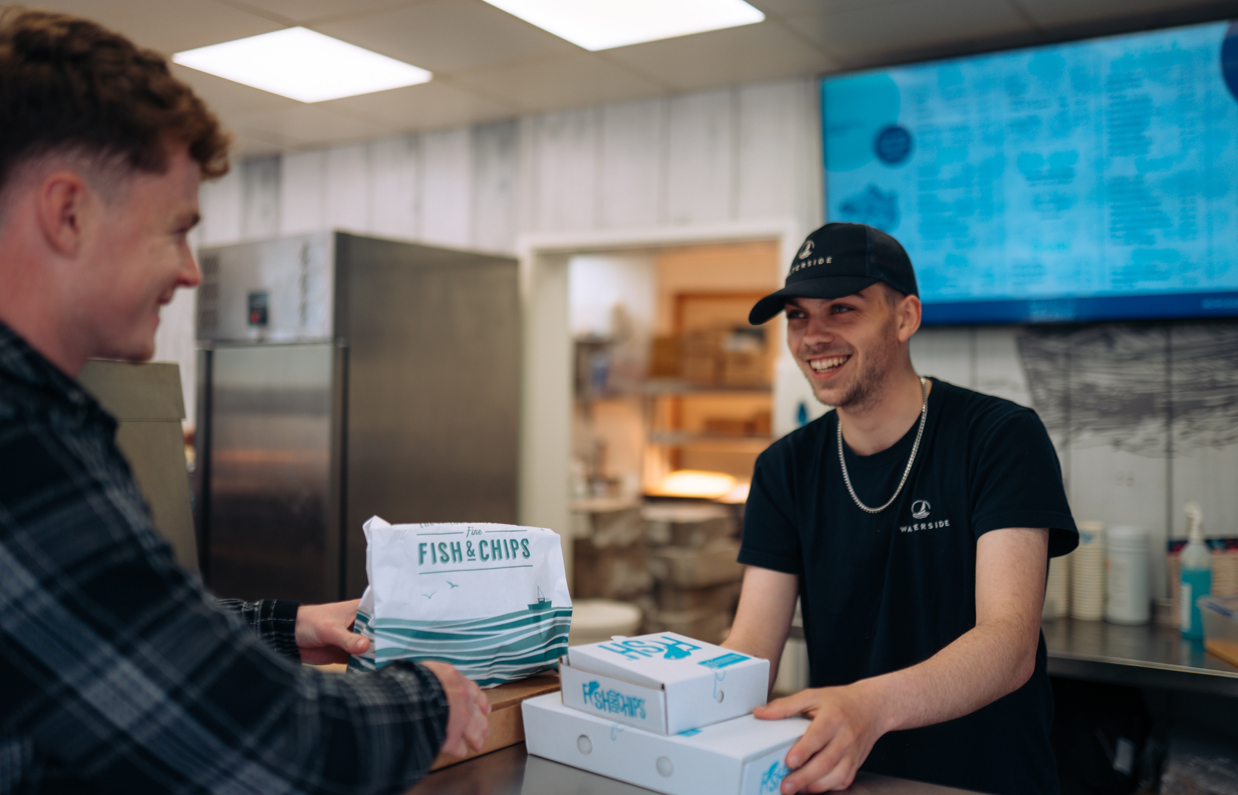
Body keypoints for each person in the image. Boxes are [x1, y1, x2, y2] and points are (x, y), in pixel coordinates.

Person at [0, 9, 489, 793]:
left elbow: (115, 630)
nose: (192, 273)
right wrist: (430, 698)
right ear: (68, 213)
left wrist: (281, 623)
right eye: (175, 230)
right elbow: (249, 741)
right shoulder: (20, 437)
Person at [723, 222, 1078, 795]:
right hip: (847, 780)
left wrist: (869, 705)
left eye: (841, 309)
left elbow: (1008, 644)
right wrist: (659, 693)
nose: (812, 336)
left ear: (905, 317)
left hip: (985, 782)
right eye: (797, 315)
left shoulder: (999, 438)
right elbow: (751, 650)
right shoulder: (783, 469)